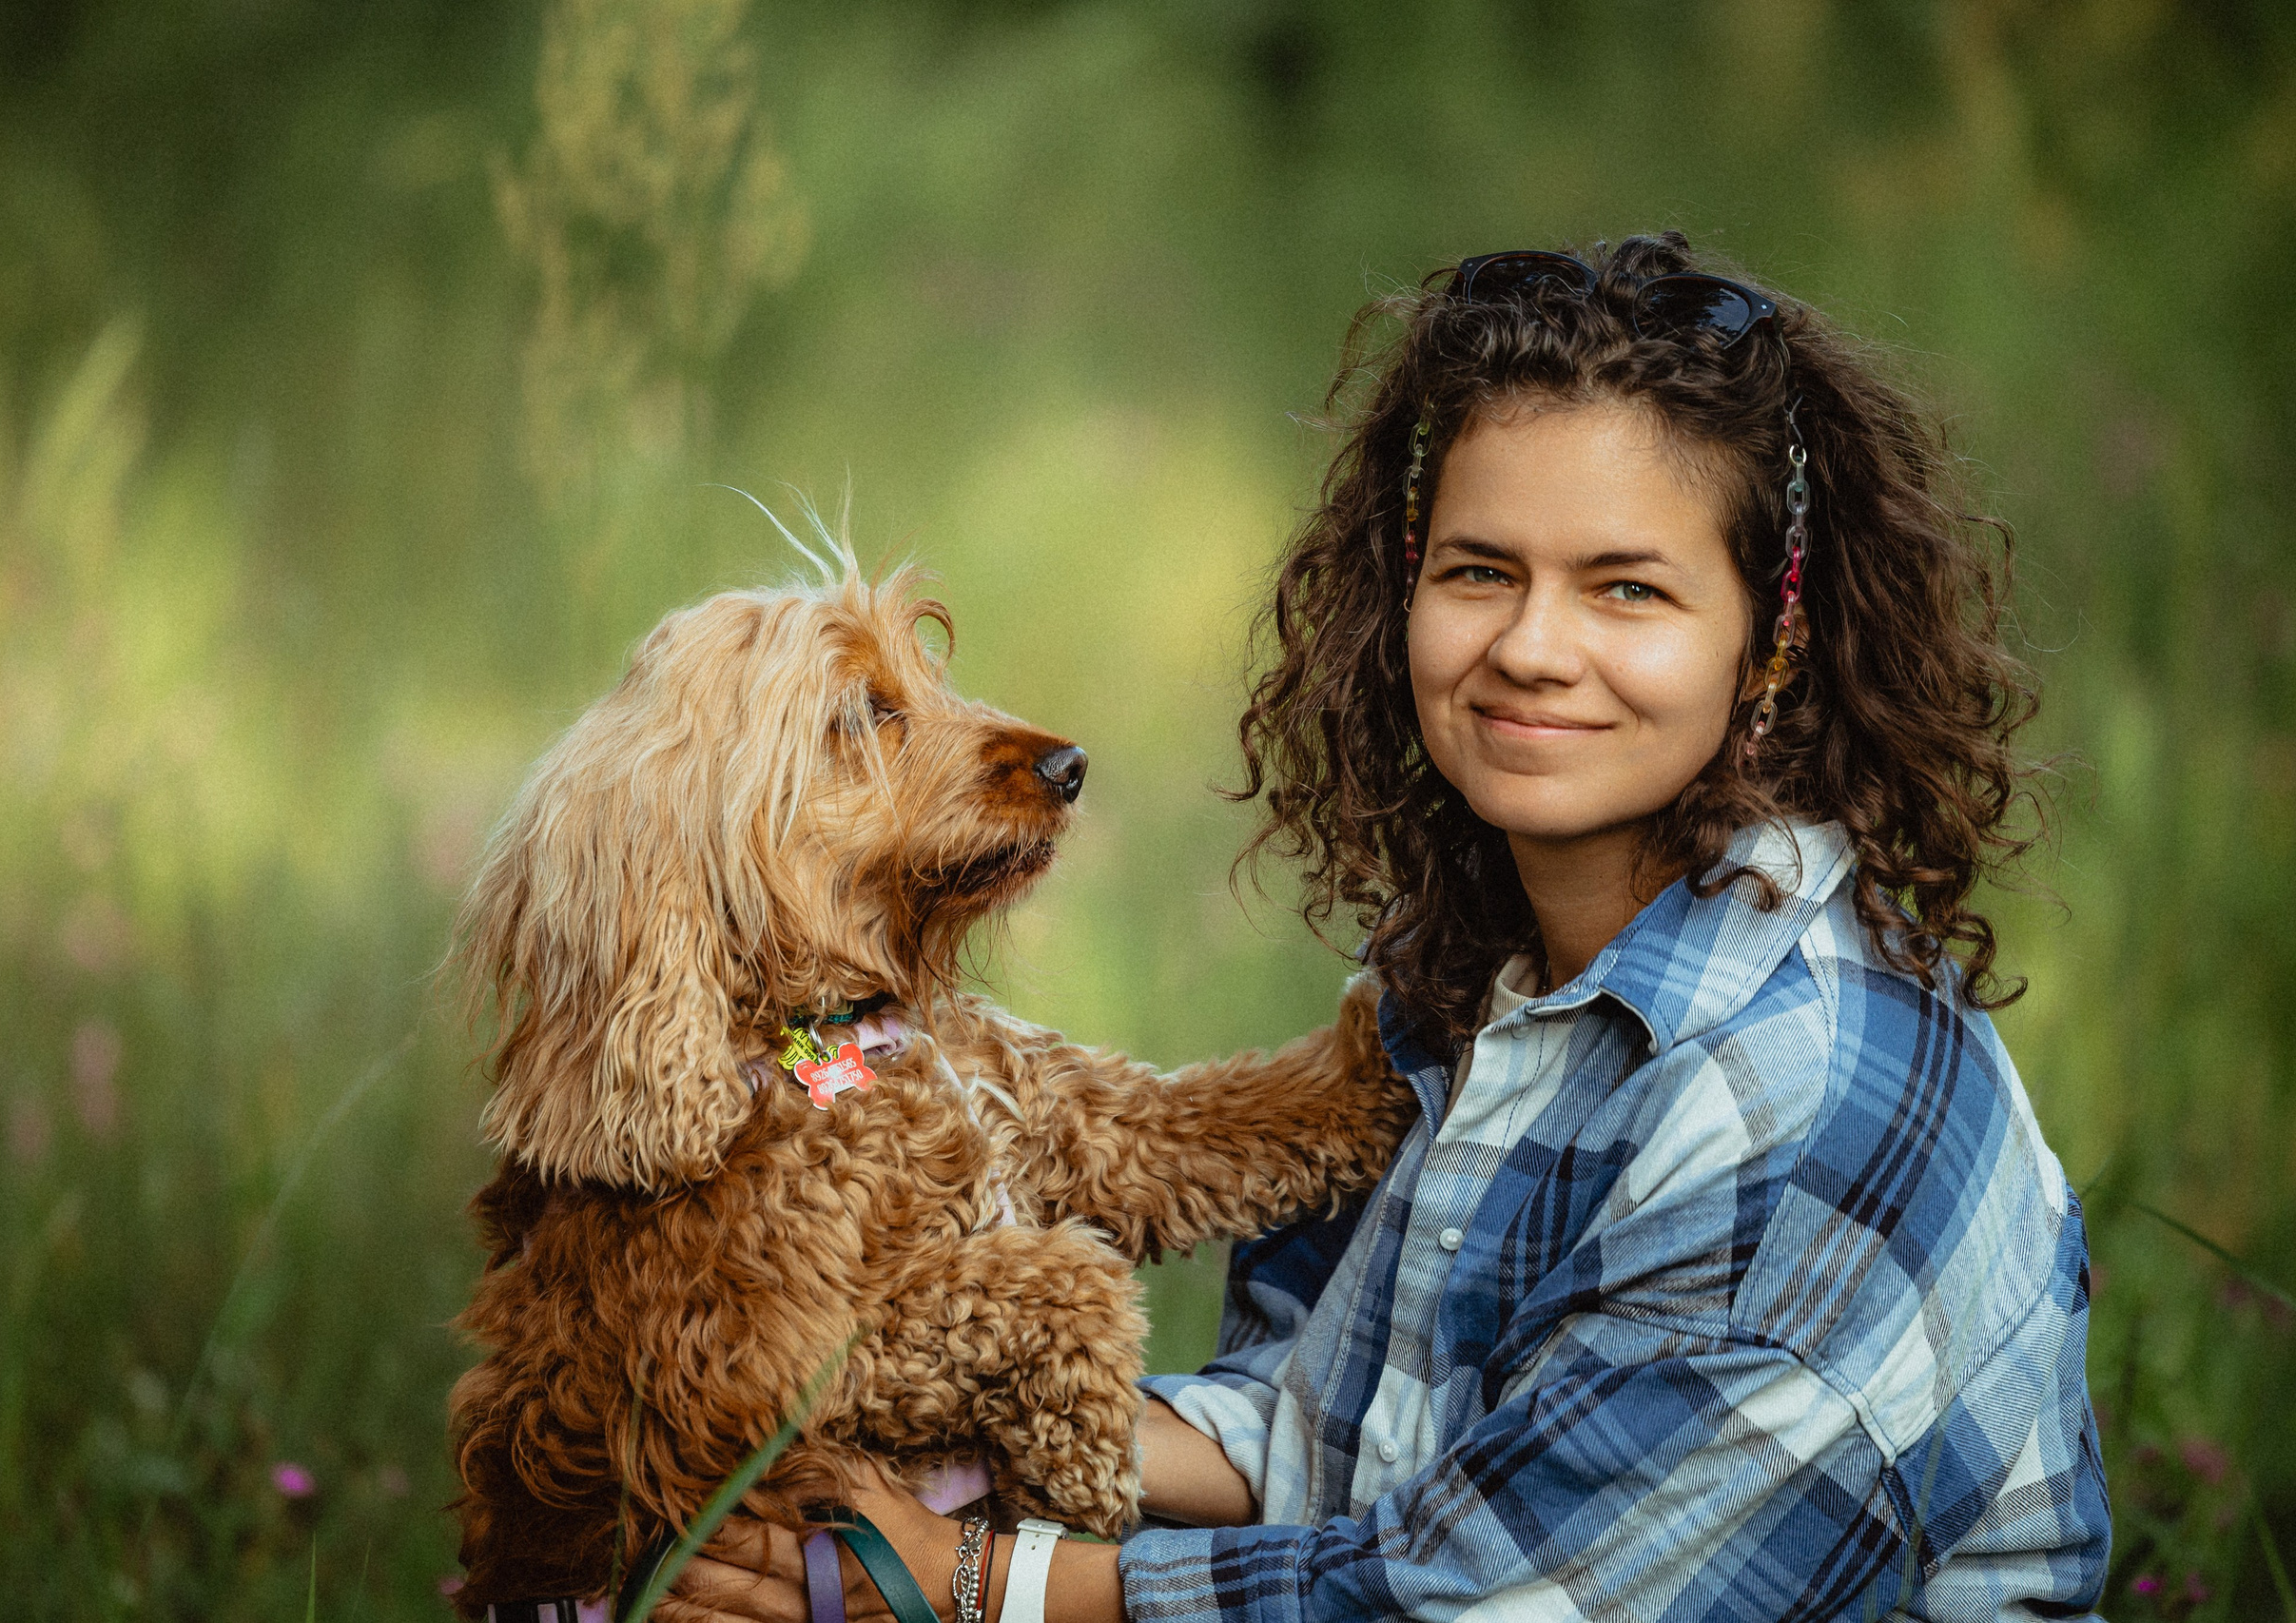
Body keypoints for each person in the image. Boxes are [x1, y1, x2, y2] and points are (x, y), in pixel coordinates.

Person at [680, 231, 2110, 1622]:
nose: (1531, 648)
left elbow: (1490, 1595)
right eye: (1481, 570)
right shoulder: (1467, 975)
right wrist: (909, 1456)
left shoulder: (1797, 1093)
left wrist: (982, 1585)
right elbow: (1340, 1427)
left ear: (1772, 637)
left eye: (1629, 588)